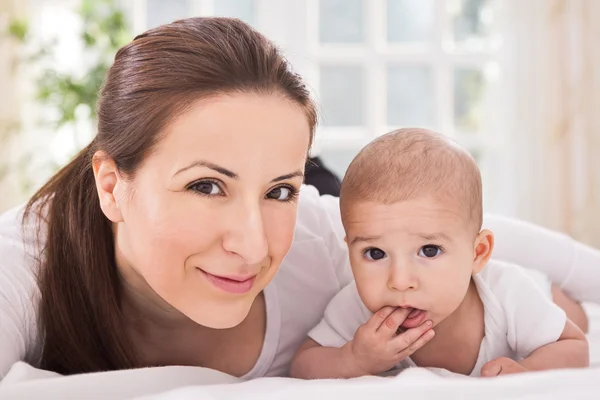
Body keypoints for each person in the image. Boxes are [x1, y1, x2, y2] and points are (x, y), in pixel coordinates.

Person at [1, 17, 599, 381]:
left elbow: (486, 239)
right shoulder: (26, 264)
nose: (254, 245)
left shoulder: (329, 236)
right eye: (206, 186)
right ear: (113, 186)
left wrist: (552, 314)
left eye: (276, 192)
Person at [290, 128, 589, 379]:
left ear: (478, 253)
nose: (400, 281)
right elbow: (303, 364)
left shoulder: (508, 292)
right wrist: (353, 358)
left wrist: (526, 370)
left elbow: (575, 345)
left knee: (576, 316)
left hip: (536, 289)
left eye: (429, 250)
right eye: (375, 253)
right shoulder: (356, 308)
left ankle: (556, 292)